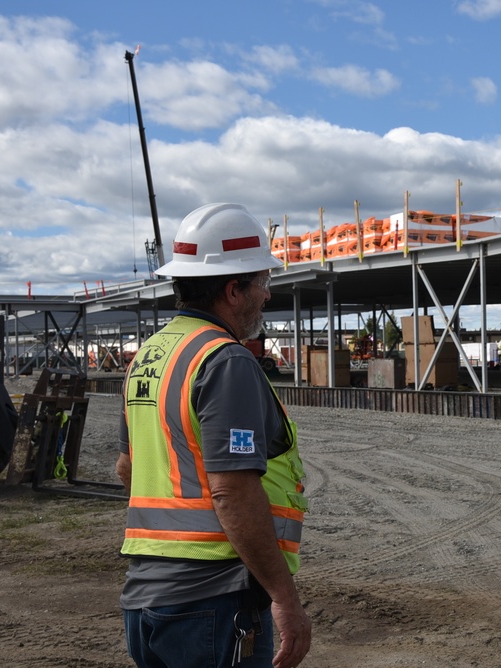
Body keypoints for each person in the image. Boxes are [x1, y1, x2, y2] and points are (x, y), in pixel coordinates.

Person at [115, 203, 312, 668]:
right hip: (213, 602)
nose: (267, 296)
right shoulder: (225, 361)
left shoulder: (149, 356)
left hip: (146, 599)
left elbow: (128, 468)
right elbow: (232, 491)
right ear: (233, 290)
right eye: (263, 283)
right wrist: (284, 597)